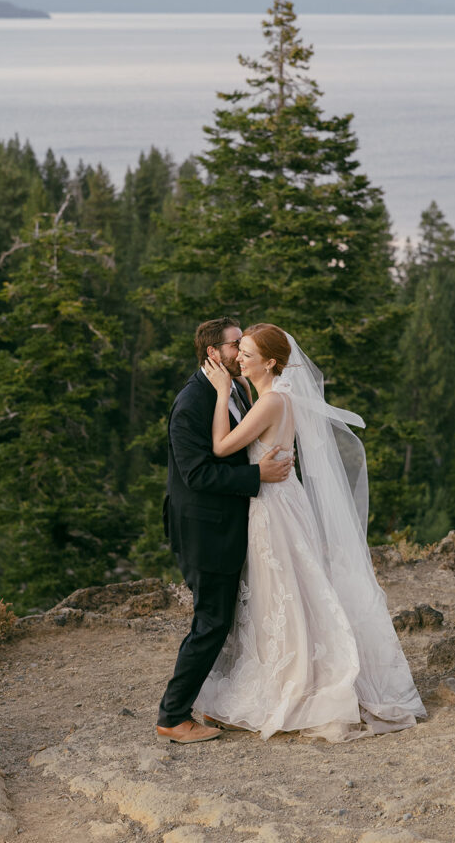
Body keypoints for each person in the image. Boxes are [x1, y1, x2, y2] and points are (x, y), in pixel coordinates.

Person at [196, 323, 426, 741]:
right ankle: (293, 670)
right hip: (283, 499)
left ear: (270, 362)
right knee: (290, 590)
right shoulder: (275, 396)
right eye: (239, 350)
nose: (240, 359)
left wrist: (220, 393)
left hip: (275, 508)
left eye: (247, 353)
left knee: (283, 589)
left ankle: (299, 682)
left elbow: (221, 448)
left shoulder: (270, 402)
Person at [156, 317, 294, 744]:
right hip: (203, 529)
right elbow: (196, 474)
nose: (244, 349)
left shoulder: (233, 387)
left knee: (228, 618)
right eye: (237, 344)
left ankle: (216, 702)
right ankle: (173, 717)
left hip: (232, 524)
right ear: (213, 353)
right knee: (212, 621)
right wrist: (257, 476)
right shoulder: (191, 402)